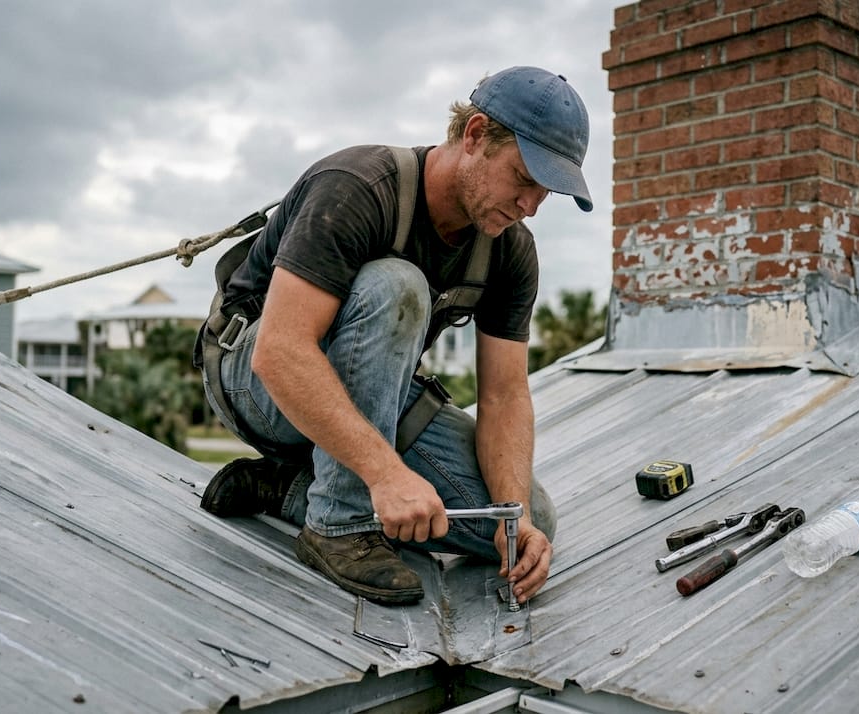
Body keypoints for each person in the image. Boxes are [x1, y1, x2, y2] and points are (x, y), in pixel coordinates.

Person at [196, 66, 592, 606]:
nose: (531, 206)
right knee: (398, 285)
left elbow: (504, 396)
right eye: (524, 179)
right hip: (252, 376)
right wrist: (385, 474)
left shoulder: (509, 250)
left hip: (361, 383)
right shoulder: (360, 187)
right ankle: (338, 525)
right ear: (475, 135)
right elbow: (281, 352)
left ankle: (283, 487)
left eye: (546, 192)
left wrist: (510, 518)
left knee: (521, 519)